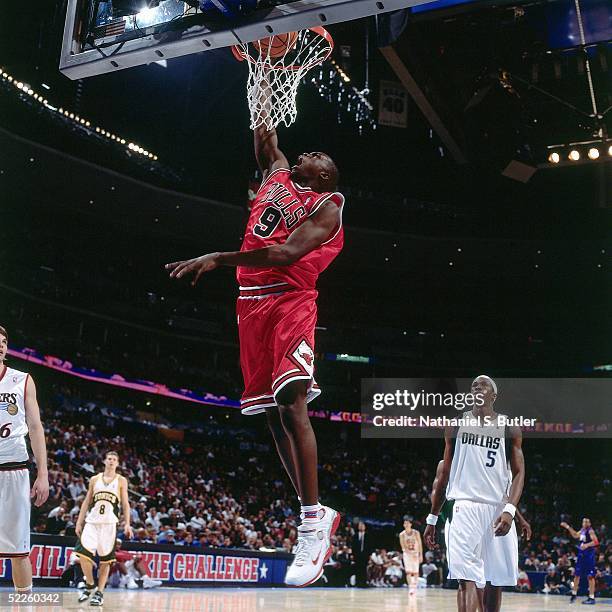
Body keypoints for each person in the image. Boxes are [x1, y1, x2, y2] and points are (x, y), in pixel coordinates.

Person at [166, 110, 344, 587]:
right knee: (270, 415)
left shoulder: (329, 204)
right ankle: (315, 512)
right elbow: (266, 139)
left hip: (290, 301)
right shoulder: (278, 173)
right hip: (250, 305)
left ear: (324, 174)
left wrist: (218, 257)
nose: (308, 153)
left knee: (291, 402)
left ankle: (312, 522)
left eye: (318, 156)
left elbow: (285, 254)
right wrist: (261, 75)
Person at [423, 375, 525, 612]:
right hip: (464, 505)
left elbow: (519, 473)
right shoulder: (456, 424)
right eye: (474, 386)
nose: (477, 387)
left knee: (495, 580)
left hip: (498, 508)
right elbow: (444, 474)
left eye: (483, 385)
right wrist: (432, 518)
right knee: (466, 578)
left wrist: (511, 511)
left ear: (494, 396)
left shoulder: (510, 427)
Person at [0, 325, 49, 594]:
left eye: (4, 341)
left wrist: (43, 474)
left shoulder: (22, 379)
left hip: (14, 470)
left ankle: (25, 603)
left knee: (18, 550)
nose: (0, 345)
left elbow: (35, 427)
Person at [74, 451, 133, 606]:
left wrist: (127, 523)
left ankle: (99, 593)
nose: (111, 461)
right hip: (92, 522)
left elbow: (125, 504)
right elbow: (86, 502)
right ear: (104, 461)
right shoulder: (95, 479)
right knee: (83, 556)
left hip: (109, 524)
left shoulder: (121, 481)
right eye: (109, 459)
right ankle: (90, 584)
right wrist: (79, 522)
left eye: (114, 459)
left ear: (118, 463)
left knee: (105, 561)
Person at [561, 518, 599, 605]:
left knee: (590, 576)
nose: (585, 523)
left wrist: (586, 545)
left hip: (589, 556)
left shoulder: (590, 531)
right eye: (583, 521)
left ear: (589, 523)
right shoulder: (582, 530)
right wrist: (567, 527)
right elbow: (575, 535)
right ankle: (574, 594)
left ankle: (591, 597)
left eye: (587, 521)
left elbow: (596, 542)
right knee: (576, 575)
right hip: (581, 556)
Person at [399, 515, 423, 595]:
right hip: (407, 554)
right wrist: (409, 553)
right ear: (403, 525)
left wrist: (420, 555)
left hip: (416, 554)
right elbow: (403, 547)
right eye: (405, 523)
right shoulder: (402, 534)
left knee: (416, 572)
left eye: (407, 523)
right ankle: (411, 587)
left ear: (410, 524)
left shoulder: (416, 533)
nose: (406, 525)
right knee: (408, 572)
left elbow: (420, 544)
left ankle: (414, 587)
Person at [351, 522, 372, 587]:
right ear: (358, 527)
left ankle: (364, 583)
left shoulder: (368, 535)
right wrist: (352, 554)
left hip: (365, 555)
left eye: (362, 526)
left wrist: (370, 555)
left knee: (364, 569)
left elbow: (370, 546)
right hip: (357, 555)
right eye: (360, 526)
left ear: (365, 527)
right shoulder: (355, 535)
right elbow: (353, 546)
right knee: (357, 569)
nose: (361, 527)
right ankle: (358, 583)